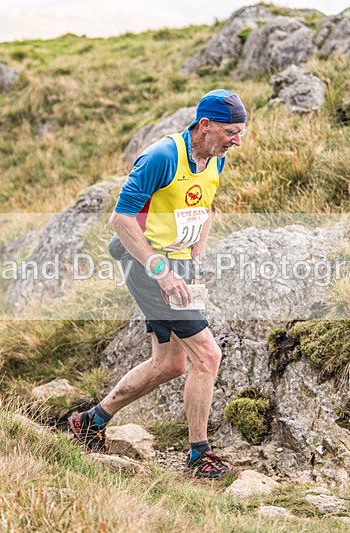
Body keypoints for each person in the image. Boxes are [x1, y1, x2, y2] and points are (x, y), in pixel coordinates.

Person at [68, 89, 248, 479]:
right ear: (205, 125)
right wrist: (161, 273)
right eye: (231, 132)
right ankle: (199, 454)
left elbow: (204, 209)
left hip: (178, 264)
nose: (237, 141)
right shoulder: (162, 157)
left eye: (241, 133)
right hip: (145, 263)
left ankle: (90, 421)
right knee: (207, 356)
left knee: (169, 363)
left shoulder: (215, 158)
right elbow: (120, 221)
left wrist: (194, 260)